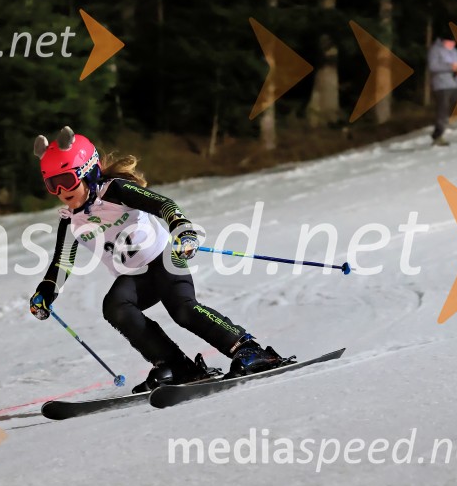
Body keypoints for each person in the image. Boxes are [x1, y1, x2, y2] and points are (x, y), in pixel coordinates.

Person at [29, 126, 293, 392]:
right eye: (52, 184)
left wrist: (182, 228)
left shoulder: (116, 191)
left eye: (66, 179)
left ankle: (251, 350)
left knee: (182, 308)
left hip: (164, 259)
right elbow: (62, 263)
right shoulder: (72, 220)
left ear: (88, 171)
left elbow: (163, 204)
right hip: (133, 276)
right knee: (115, 306)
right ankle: (178, 366)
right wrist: (46, 292)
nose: (61, 190)